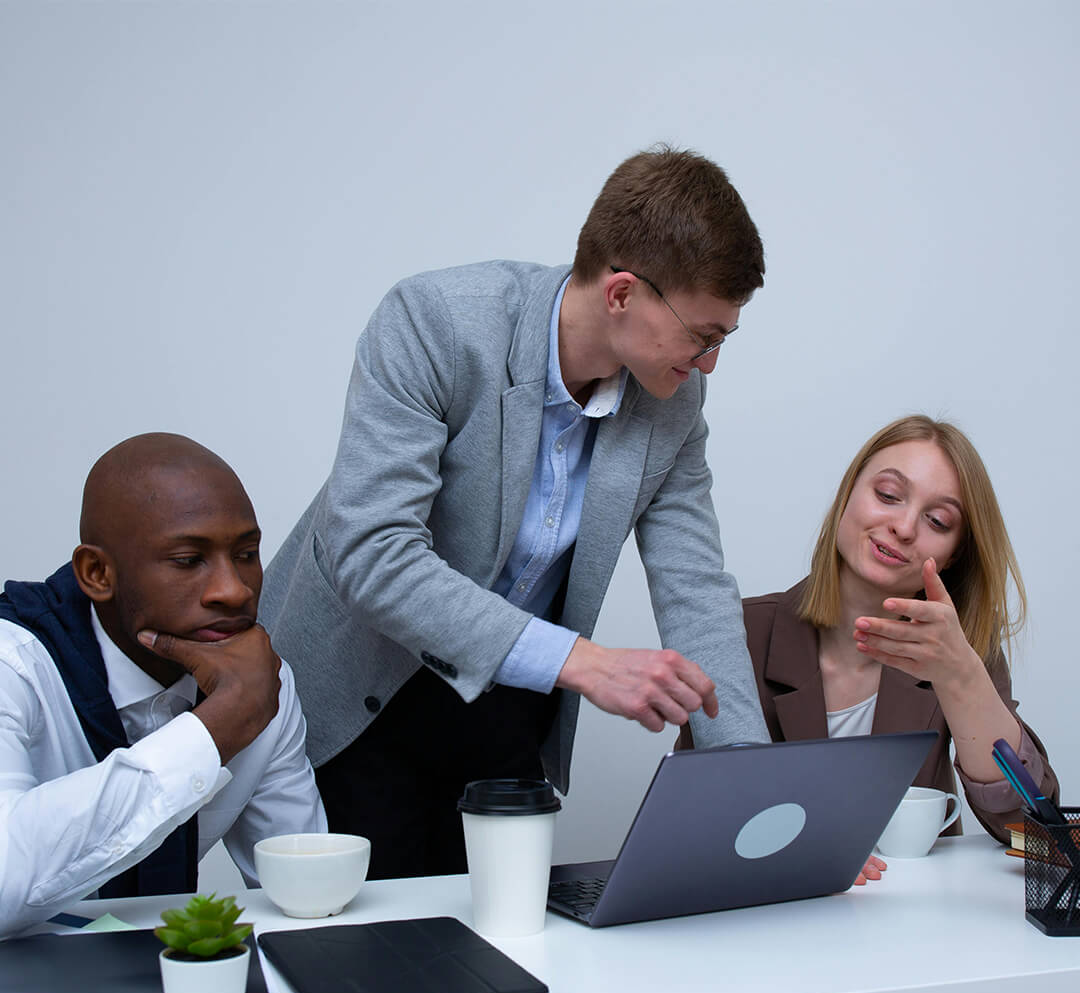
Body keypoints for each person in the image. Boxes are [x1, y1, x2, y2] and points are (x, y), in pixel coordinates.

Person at [261, 146, 771, 879]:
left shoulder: (674, 401)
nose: (709, 363)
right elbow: (371, 554)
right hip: (360, 698)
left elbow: (696, 588)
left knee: (504, 954)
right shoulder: (436, 322)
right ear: (622, 293)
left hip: (507, 709)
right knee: (362, 962)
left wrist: (749, 788)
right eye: (703, 335)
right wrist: (582, 662)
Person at [678, 415, 1057, 869]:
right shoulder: (737, 631)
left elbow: (1031, 832)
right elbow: (691, 816)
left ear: (955, 552)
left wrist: (962, 676)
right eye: (888, 495)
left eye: (937, 520)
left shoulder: (961, 648)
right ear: (848, 495)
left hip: (911, 922)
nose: (903, 527)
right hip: (771, 916)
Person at [0, 433, 326, 938]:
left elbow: (304, 892)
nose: (233, 589)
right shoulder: (12, 665)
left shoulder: (259, 683)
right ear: (97, 573)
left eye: (245, 554)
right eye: (188, 560)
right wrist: (213, 732)